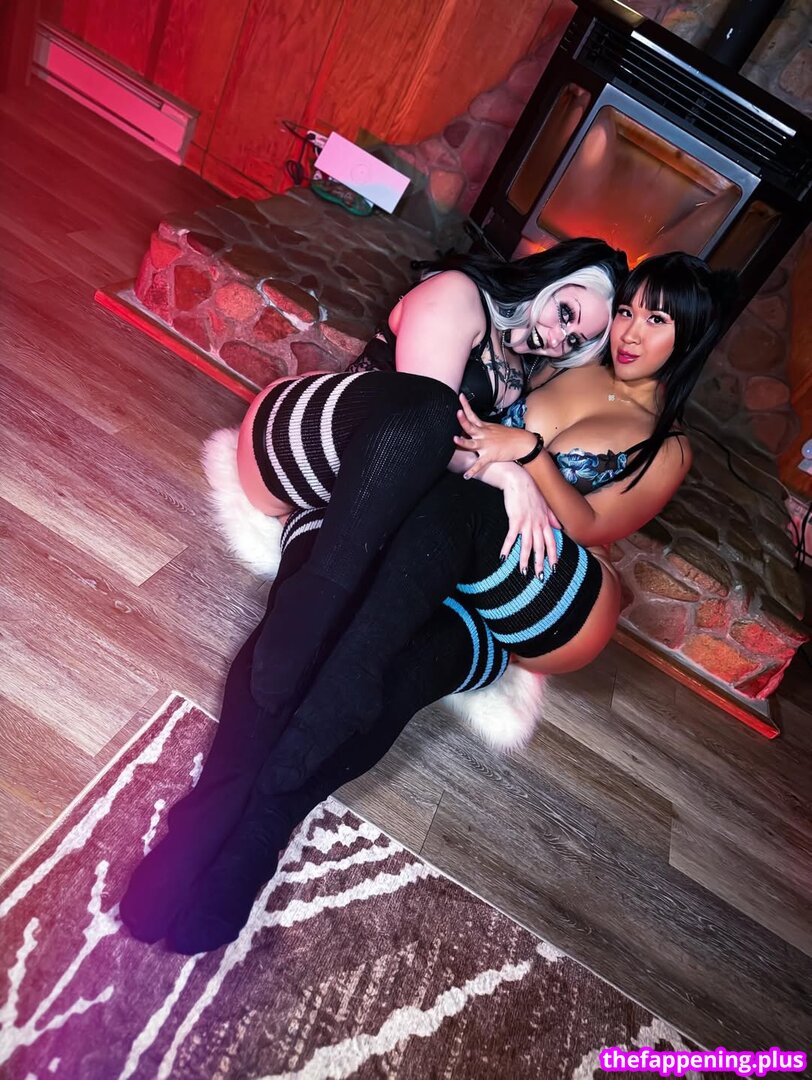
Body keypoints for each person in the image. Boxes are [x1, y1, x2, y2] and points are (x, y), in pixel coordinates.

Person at [120, 252, 736, 954]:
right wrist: (493, 449)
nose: (630, 330)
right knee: (372, 651)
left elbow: (594, 525)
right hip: (449, 553)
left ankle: (333, 695)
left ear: (688, 337)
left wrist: (528, 454)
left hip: (544, 588)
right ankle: (240, 828)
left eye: (657, 320)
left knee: (427, 543)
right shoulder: (567, 361)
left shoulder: (670, 447)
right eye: (627, 310)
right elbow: (453, 417)